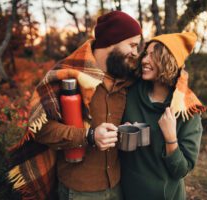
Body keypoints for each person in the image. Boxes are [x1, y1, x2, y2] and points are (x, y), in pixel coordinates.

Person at [8, 11, 141, 200]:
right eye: (132, 45)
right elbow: (41, 130)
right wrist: (90, 136)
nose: (135, 52)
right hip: (80, 191)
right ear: (113, 40)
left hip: (117, 186)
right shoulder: (66, 76)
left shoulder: (125, 78)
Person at [120, 32, 206, 200]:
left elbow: (181, 170)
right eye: (146, 54)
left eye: (154, 56)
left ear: (169, 62)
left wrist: (170, 138)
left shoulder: (187, 110)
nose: (144, 60)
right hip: (126, 192)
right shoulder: (130, 92)